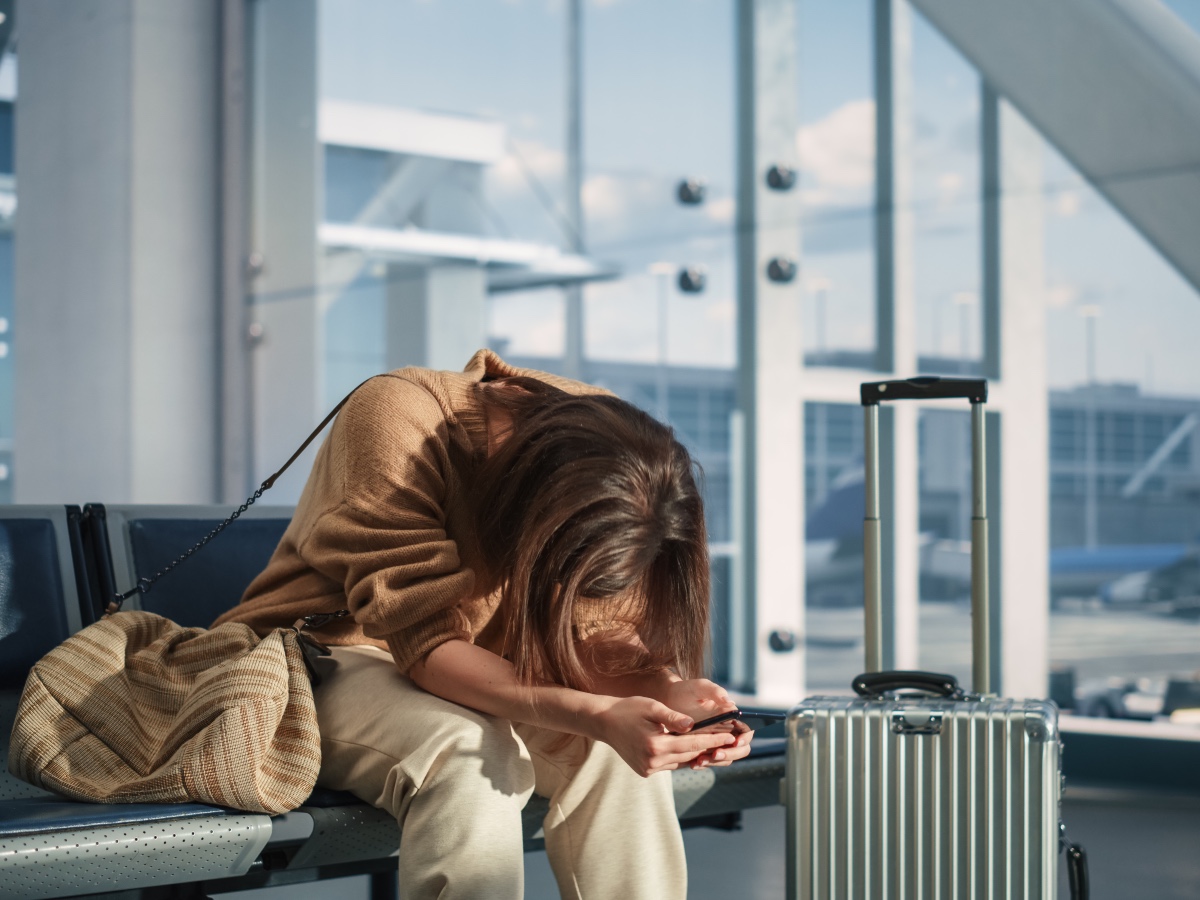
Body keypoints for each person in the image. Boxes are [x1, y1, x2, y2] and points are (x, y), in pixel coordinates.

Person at [214, 349, 755, 899]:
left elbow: (593, 632)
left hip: (477, 673)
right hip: (320, 658)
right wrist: (596, 711)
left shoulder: (619, 454)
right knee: (467, 750)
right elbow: (427, 644)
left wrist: (665, 691)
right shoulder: (398, 415)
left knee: (616, 757)